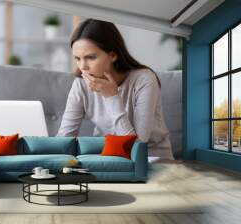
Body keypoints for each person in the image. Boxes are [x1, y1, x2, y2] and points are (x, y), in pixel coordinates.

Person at [56, 19, 174, 160]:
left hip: (152, 160)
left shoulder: (144, 80)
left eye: (91, 57)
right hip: (109, 158)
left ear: (113, 55)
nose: (83, 67)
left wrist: (111, 97)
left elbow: (136, 148)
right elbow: (64, 139)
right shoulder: (80, 84)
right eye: (77, 58)